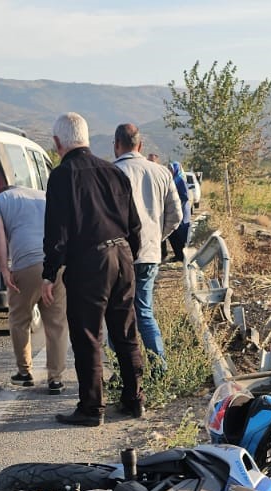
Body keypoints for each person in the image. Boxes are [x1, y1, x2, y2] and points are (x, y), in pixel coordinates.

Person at [42, 112, 143, 427]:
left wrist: (49, 273)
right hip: (123, 255)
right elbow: (134, 225)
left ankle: (91, 408)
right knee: (125, 332)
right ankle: (134, 400)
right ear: (86, 138)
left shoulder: (62, 176)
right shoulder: (113, 173)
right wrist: (127, 256)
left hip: (89, 261)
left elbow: (56, 233)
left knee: (87, 336)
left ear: (58, 142)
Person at [112, 124, 182, 368]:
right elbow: (177, 215)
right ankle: (159, 366)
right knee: (144, 311)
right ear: (140, 146)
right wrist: (157, 237)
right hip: (150, 254)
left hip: (119, 255)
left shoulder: (112, 172)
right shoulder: (162, 173)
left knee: (117, 315)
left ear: (116, 145)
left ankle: (123, 371)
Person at [0, 184, 67, 393]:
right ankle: (55, 379)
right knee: (56, 322)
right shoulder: (43, 196)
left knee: (20, 318)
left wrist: (4, 269)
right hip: (57, 262)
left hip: (26, 263)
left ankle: (24, 372)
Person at [166, 160, 192, 263]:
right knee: (173, 234)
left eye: (171, 169)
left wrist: (177, 203)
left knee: (182, 234)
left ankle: (184, 256)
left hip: (182, 209)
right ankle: (178, 255)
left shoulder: (180, 180)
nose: (170, 171)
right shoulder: (172, 179)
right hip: (174, 209)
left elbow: (185, 196)